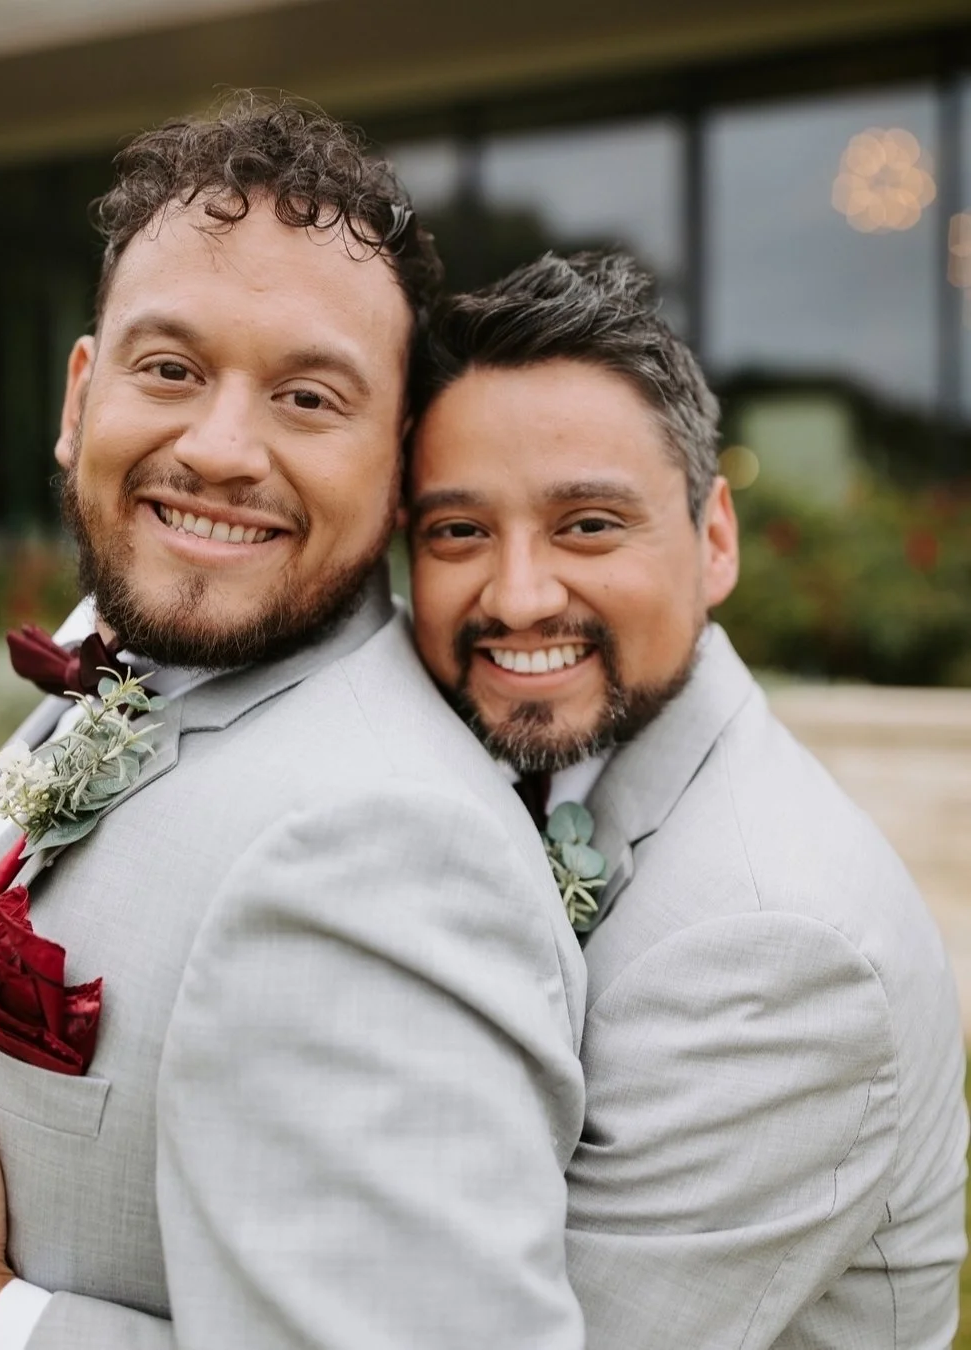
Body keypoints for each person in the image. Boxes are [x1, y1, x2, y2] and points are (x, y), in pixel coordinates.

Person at [0, 99, 589, 1350]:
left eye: (309, 398)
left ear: (399, 471)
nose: (218, 449)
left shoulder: (386, 846)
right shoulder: (130, 657)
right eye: (170, 370)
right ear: (82, 396)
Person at [406, 248, 969, 1347]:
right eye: (458, 532)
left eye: (589, 526)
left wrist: (2, 1313)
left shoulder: (777, 944)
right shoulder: (493, 774)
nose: (518, 596)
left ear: (715, 541)